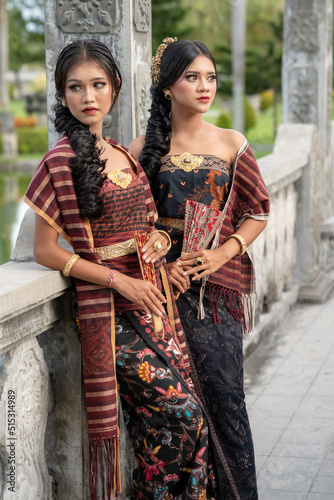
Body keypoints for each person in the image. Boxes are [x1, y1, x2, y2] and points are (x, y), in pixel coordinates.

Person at [24, 39, 218, 500]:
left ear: (114, 89)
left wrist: (159, 241)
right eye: (75, 87)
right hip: (109, 314)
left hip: (152, 301)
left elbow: (150, 226)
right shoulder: (60, 162)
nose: (88, 97)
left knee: (176, 420)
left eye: (97, 85)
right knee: (181, 413)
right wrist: (119, 280)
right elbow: (45, 251)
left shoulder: (122, 154)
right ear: (62, 94)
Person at [129, 38, 270, 500]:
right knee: (173, 410)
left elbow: (258, 211)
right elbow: (127, 225)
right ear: (168, 86)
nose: (204, 86)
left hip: (215, 296)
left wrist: (219, 254)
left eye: (210, 77)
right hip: (160, 294)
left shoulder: (231, 143)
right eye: (192, 77)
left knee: (227, 400)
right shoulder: (141, 147)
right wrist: (158, 261)